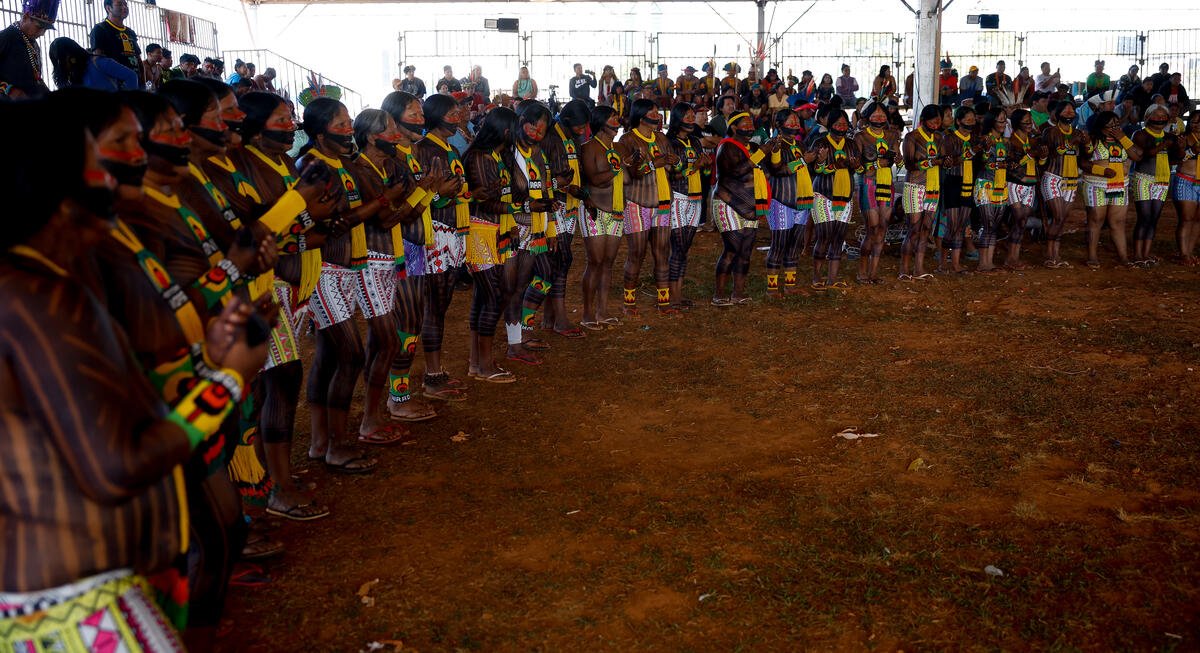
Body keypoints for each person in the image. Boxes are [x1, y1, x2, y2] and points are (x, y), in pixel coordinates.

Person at [0, 95, 255, 653]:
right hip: (72, 609)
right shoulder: (34, 293)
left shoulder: (45, 277)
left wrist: (204, 349)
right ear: (53, 173)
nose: (129, 165)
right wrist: (227, 381)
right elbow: (114, 465)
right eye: (108, 151)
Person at [294, 97, 384, 474]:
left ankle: (322, 442)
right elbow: (332, 223)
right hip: (323, 269)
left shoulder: (341, 164)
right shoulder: (311, 167)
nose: (349, 130)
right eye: (341, 124)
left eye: (350, 122)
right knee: (351, 353)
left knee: (331, 356)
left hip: (345, 269)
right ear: (318, 133)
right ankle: (337, 445)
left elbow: (354, 208)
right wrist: (379, 203)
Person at [415, 93, 473, 387]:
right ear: (437, 116)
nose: (458, 117)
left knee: (443, 303)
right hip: (436, 232)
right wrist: (441, 195)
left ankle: (435, 369)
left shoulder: (450, 148)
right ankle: (432, 373)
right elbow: (422, 198)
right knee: (435, 305)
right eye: (452, 113)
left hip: (455, 230)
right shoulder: (423, 150)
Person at [461, 106, 520, 378]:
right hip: (480, 231)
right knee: (493, 298)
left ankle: (477, 362)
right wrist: (520, 210)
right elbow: (487, 201)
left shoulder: (495, 155)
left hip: (493, 231)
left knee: (484, 298)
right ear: (506, 132)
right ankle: (484, 365)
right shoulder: (480, 157)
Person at [501, 100, 559, 362]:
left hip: (536, 227)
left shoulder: (538, 154)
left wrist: (552, 229)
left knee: (524, 283)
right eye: (533, 128)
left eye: (542, 131)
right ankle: (514, 343)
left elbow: (546, 191)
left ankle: (521, 336)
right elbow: (500, 195)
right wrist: (514, 220)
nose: (537, 135)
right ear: (521, 122)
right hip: (515, 227)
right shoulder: (507, 153)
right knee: (512, 287)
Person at [618, 98, 678, 315]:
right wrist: (654, 163)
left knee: (662, 252)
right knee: (637, 253)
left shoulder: (661, 138)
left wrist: (675, 161)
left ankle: (664, 302)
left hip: (663, 201)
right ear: (641, 115)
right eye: (653, 112)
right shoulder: (628, 139)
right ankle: (629, 302)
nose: (658, 116)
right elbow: (631, 173)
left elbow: (672, 169)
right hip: (637, 202)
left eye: (657, 112)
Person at [539, 99, 589, 335]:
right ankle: (558, 318)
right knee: (561, 261)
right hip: (553, 206)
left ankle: (549, 317)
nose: (582, 131)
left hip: (570, 207)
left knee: (558, 262)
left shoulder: (572, 138)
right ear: (567, 121)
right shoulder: (549, 138)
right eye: (579, 127)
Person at [578, 105, 626, 328]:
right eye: (612, 118)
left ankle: (603, 311)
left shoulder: (619, 148)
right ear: (600, 122)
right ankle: (587, 314)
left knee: (608, 262)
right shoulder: (588, 148)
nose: (616, 122)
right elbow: (594, 179)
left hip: (616, 210)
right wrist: (620, 168)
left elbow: (631, 176)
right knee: (595, 262)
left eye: (617, 118)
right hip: (594, 210)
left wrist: (634, 164)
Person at [711, 111, 765, 304]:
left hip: (750, 204)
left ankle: (738, 293)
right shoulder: (726, 146)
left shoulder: (754, 147)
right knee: (732, 248)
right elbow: (736, 171)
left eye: (752, 124)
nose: (750, 128)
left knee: (746, 250)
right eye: (745, 124)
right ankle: (719, 294)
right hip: (728, 202)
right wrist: (760, 154)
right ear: (734, 127)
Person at [664, 101, 710, 307]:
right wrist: (695, 167)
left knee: (685, 248)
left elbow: (704, 173)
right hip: (678, 197)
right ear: (677, 119)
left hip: (695, 197)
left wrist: (706, 166)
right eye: (687, 116)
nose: (692, 120)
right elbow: (672, 175)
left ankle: (678, 294)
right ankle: (670, 296)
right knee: (678, 247)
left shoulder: (695, 141)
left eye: (693, 116)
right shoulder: (669, 143)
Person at [762, 107, 813, 293]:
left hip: (803, 201)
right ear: (779, 125)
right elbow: (778, 170)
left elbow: (810, 168)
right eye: (791, 122)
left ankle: (790, 286)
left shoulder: (800, 145)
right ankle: (772, 289)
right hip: (781, 201)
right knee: (779, 244)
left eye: (797, 122)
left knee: (794, 245)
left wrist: (820, 160)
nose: (795, 126)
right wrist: (803, 162)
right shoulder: (773, 145)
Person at [1082, 110, 1140, 268]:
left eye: (1117, 124)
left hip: (1119, 185)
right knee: (1096, 221)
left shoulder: (1123, 140)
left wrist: (1123, 138)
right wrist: (1101, 171)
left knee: (1118, 222)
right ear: (1101, 127)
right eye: (1110, 125)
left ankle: (1123, 258)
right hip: (1096, 185)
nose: (1115, 127)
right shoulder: (1093, 140)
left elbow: (1137, 156)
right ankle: (1092, 256)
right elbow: (1083, 161)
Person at [1039, 100, 1089, 268]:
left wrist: (1086, 142)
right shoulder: (1050, 132)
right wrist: (1070, 142)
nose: (1069, 115)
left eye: (1072, 112)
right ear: (1057, 114)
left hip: (1071, 180)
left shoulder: (1077, 132)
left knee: (1062, 219)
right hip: (1053, 176)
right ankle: (1050, 255)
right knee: (1058, 216)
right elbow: (1050, 154)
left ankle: (1056, 255)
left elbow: (1084, 155)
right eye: (1066, 112)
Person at [854, 101, 899, 283]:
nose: (879, 119)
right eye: (875, 115)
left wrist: (896, 157)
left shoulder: (892, 135)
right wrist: (875, 164)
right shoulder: (861, 137)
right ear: (867, 117)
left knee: (882, 229)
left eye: (882, 115)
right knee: (872, 229)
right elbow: (857, 166)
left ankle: (874, 273)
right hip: (868, 184)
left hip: (886, 183)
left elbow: (894, 160)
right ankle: (861, 272)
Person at [900, 104, 945, 280]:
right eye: (933, 122)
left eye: (938, 122)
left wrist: (945, 161)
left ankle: (918, 268)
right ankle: (904, 269)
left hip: (933, 187)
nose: (935, 125)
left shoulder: (939, 137)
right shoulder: (912, 137)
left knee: (926, 229)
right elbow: (909, 164)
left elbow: (942, 158)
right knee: (914, 229)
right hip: (915, 186)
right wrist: (930, 163)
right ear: (923, 121)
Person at [1130, 104, 1175, 266]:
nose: (1161, 119)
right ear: (1147, 118)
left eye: (1164, 116)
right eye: (1157, 116)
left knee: (1154, 218)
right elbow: (1146, 154)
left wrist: (1180, 146)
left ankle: (1147, 252)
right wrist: (1164, 145)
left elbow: (1176, 157)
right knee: (1144, 217)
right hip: (1144, 178)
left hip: (1163, 179)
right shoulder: (1140, 134)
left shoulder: (1170, 136)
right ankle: (1138, 254)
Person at [1003, 109, 1043, 270]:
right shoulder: (1011, 141)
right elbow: (1012, 164)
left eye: (1030, 121)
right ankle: (1010, 258)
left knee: (1022, 221)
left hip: (1030, 185)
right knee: (1018, 220)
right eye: (1026, 121)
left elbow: (1040, 161)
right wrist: (1031, 154)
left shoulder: (1032, 141)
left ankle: (1014, 258)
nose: (1030, 124)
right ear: (1018, 123)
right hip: (1015, 184)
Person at [0, 0, 56, 98]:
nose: (42, 33)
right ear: (25, 18)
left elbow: (36, 78)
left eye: (46, 29)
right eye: (39, 28)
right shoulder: (6, 37)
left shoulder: (34, 44)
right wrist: (9, 90)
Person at [49, 35, 138, 90]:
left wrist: (127, 105)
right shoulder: (69, 75)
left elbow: (131, 76)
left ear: (72, 57)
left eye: (61, 60)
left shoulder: (99, 63)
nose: (60, 65)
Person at [1171, 111, 1200, 265]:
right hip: (1185, 179)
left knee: (1197, 220)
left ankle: (1190, 252)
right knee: (1186, 219)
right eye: (1193, 121)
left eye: (1199, 122)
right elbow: (1175, 159)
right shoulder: (1182, 138)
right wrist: (1190, 151)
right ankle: (1183, 254)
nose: (1196, 125)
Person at [90, 0, 141, 86]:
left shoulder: (130, 32)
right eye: (120, 4)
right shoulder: (100, 29)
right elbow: (98, 60)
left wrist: (142, 82)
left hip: (134, 83)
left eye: (125, 4)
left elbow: (138, 58)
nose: (125, 7)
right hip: (114, 85)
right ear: (109, 8)